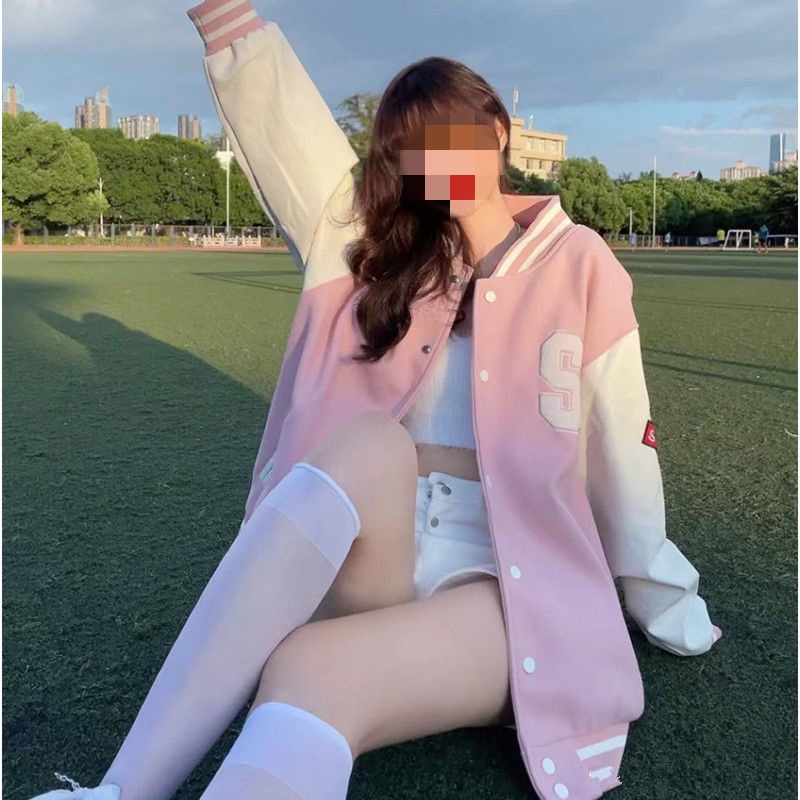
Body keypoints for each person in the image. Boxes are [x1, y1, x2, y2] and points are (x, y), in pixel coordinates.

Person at [28, 3, 723, 800]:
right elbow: (286, 129)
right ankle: (117, 791)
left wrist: (666, 605)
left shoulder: (579, 261)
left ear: (497, 131)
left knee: (305, 670)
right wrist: (224, 16)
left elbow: (624, 450)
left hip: (505, 580)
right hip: (378, 557)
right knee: (370, 442)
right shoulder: (372, 251)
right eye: (415, 150)